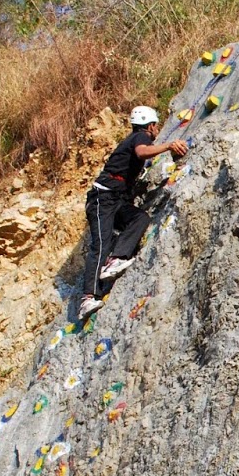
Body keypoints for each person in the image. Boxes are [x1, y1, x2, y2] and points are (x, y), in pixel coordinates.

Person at [77, 106, 188, 320]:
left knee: (139, 218)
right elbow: (142, 152)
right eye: (156, 127)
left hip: (116, 200)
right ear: (151, 126)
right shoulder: (140, 137)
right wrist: (168, 146)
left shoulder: (134, 139)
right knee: (101, 243)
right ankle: (88, 298)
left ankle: (116, 258)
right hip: (103, 199)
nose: (156, 131)